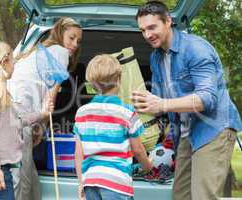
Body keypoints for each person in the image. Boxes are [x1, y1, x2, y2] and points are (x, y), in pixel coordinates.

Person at [132, 1, 242, 200]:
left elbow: (207, 99)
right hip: (185, 133)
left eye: (152, 27)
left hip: (213, 128)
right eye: (142, 30)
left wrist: (162, 104)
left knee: (203, 196)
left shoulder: (196, 49)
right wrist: (142, 105)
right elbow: (159, 103)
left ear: (168, 21)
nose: (147, 35)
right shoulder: (156, 58)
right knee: (181, 195)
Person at [7, 17, 82, 200]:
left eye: (78, 41)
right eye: (71, 38)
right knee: (21, 178)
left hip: (14, 110)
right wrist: (41, 126)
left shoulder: (36, 51)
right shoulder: (61, 53)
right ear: (59, 32)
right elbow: (51, 96)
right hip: (20, 114)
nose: (74, 44)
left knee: (29, 174)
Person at [0, 40, 54, 200]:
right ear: (3, 62)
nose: (14, 64)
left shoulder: (3, 94)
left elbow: (17, 120)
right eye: (13, 60)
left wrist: (42, 113)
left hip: (1, 169)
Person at [74, 54, 152, 200]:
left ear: (91, 84)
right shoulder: (127, 112)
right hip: (117, 182)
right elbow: (138, 150)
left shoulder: (82, 113)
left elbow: (79, 154)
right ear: (118, 80)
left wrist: (81, 183)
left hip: (91, 181)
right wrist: (148, 166)